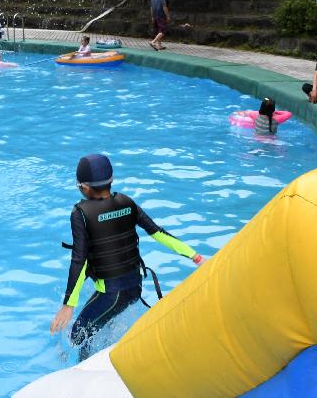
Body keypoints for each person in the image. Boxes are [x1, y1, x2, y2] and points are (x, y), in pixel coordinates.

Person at [50, 154, 204, 360]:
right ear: (111, 181)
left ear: (84, 187)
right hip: (135, 288)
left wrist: (68, 305)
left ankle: (81, 371)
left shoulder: (80, 214)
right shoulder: (127, 203)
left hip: (112, 293)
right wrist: (196, 258)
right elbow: (158, 233)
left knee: (75, 339)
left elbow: (80, 259)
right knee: (100, 323)